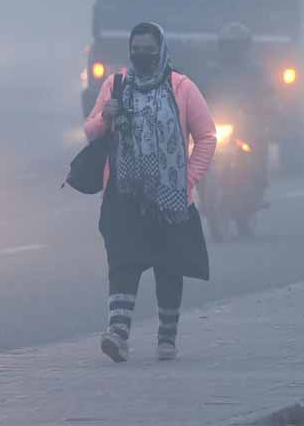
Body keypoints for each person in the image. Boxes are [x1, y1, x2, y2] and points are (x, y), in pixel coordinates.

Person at [84, 22, 217, 363]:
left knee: (168, 266)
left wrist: (188, 179)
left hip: (169, 197)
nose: (141, 55)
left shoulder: (182, 87)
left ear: (161, 50)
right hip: (123, 194)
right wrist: (105, 117)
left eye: (148, 49)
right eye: (136, 49)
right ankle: (118, 334)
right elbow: (91, 130)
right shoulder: (115, 85)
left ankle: (167, 336)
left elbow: (206, 136)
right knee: (122, 262)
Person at [205, 22, 275, 189]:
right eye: (230, 45)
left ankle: (259, 181)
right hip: (220, 118)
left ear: (246, 47)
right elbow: (201, 90)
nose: (234, 50)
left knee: (259, 141)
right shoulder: (213, 70)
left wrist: (265, 106)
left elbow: (268, 93)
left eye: (238, 45)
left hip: (247, 121)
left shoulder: (256, 71)